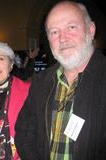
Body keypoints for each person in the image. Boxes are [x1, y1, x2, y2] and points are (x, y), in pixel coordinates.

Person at [15, 1, 106, 160]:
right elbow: (25, 133)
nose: (63, 38)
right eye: (54, 32)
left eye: (71, 27)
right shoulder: (41, 81)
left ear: (91, 30)